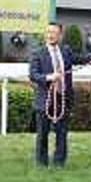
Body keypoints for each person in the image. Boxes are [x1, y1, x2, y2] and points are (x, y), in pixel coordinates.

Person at [29, 23, 77, 168]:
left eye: (54, 33)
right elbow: (33, 75)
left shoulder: (66, 51)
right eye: (48, 32)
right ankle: (42, 163)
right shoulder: (37, 53)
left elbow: (81, 59)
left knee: (62, 133)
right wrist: (50, 77)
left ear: (60, 36)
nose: (51, 35)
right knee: (43, 133)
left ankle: (59, 162)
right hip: (45, 99)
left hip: (63, 97)